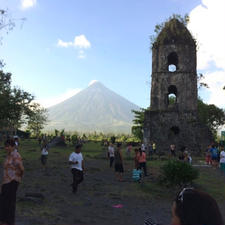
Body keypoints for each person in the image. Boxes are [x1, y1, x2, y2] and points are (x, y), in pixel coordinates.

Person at [0, 139, 24, 225]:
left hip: (12, 182)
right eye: (5, 146)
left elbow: (21, 169)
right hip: (6, 182)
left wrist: (17, 178)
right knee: (3, 202)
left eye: (8, 146)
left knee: (10, 203)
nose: (6, 148)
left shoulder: (16, 155)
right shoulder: (8, 155)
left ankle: (9, 222)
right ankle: (3, 220)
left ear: (13, 146)